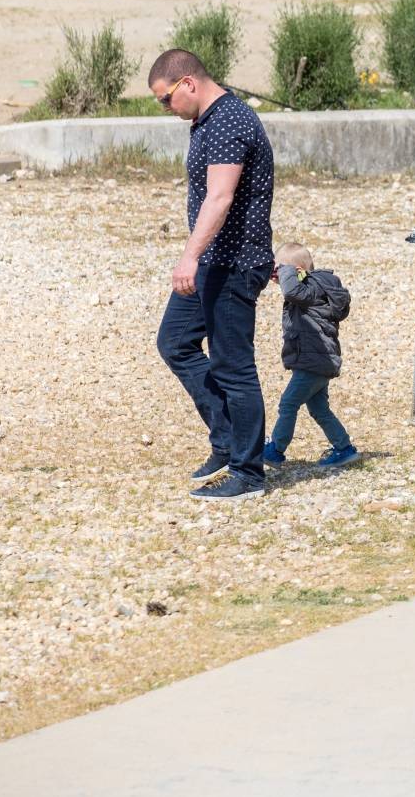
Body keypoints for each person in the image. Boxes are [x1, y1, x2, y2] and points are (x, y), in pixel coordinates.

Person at [151, 49, 275, 501]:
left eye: (165, 99)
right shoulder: (207, 120)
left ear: (187, 83)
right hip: (213, 261)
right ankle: (227, 441)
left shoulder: (227, 122)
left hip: (233, 263)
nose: (166, 109)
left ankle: (248, 472)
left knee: (234, 367)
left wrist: (188, 257)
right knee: (175, 342)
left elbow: (220, 198)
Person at [261, 242, 358, 470]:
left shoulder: (312, 288)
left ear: (297, 270)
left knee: (288, 404)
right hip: (317, 360)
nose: (279, 276)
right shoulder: (314, 290)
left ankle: (276, 449)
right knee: (319, 409)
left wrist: (285, 271)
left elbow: (292, 291)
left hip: (314, 362)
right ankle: (344, 449)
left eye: (282, 270)